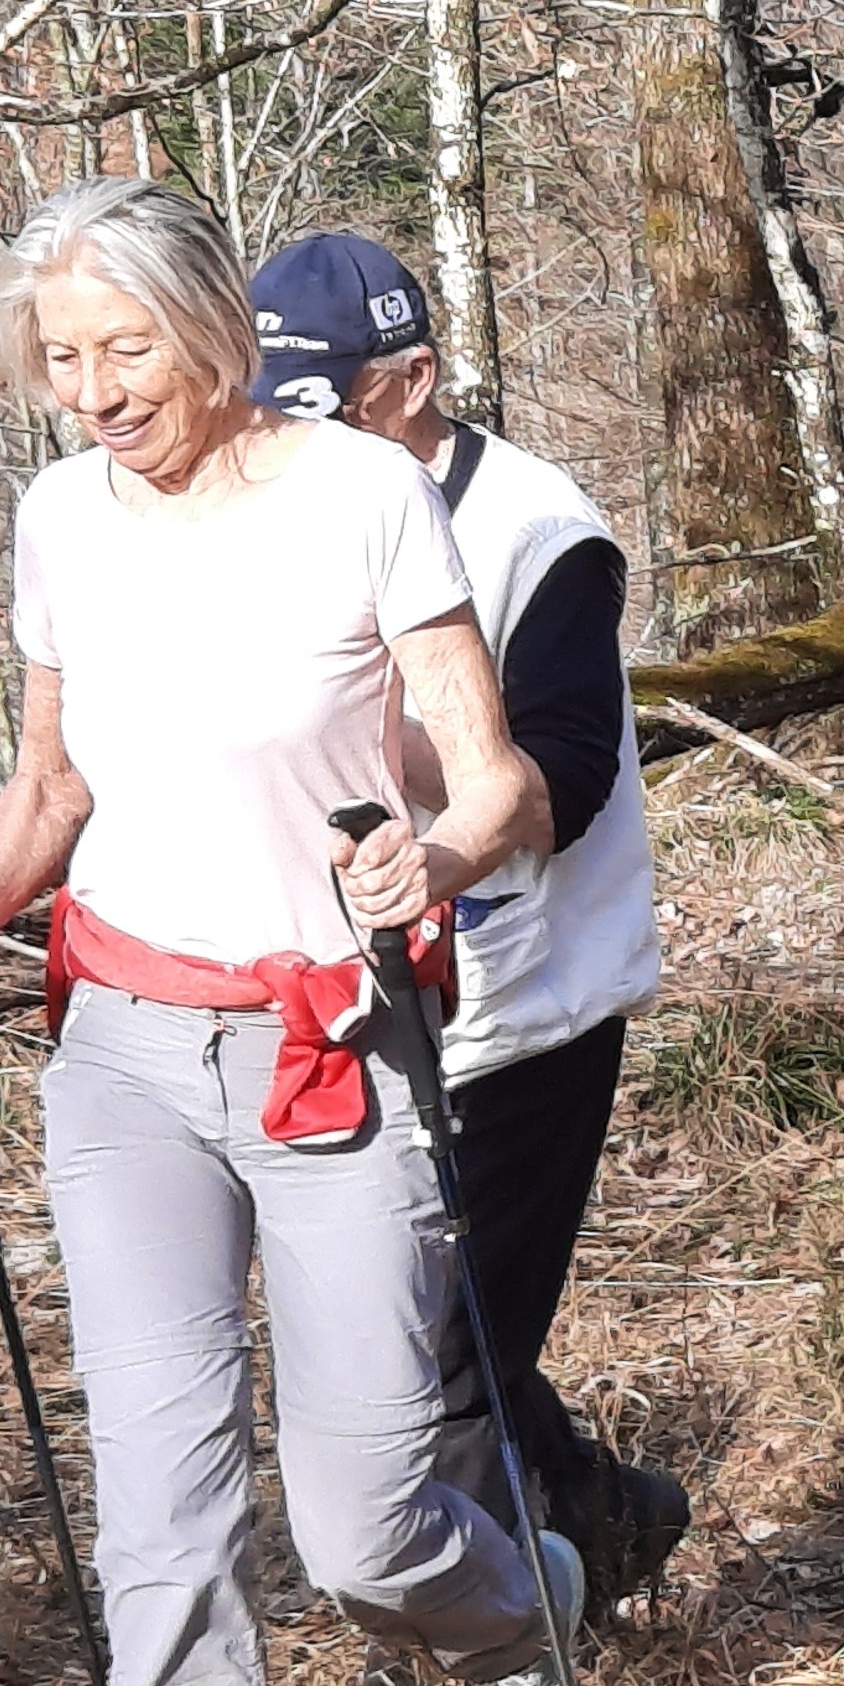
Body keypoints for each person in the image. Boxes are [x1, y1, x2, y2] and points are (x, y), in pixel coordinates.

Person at [0, 178, 567, 1686]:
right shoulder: (59, 520)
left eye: (125, 351)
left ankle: (521, 1606)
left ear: (214, 337)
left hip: (330, 1039)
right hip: (123, 1059)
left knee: (361, 1522)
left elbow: (496, 782)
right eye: (64, 362)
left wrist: (435, 852)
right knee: (159, 1508)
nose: (95, 392)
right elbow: (47, 795)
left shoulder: (358, 493)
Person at [245, 234, 686, 1603]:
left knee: (440, 1346)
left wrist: (404, 730)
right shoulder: (281, 512)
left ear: (413, 379)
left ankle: (513, 1617)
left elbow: (559, 783)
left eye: (315, 408)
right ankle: (600, 1528)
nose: (282, 436)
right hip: (350, 992)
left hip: (527, 1004)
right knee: (431, 1338)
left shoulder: (539, 533)